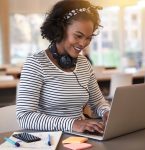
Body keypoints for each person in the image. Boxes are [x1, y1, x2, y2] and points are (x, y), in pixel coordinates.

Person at [16, 0, 110, 134]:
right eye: (78, 36)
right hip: (48, 140)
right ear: (60, 30)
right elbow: (24, 117)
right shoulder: (36, 63)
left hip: (80, 136)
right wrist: (72, 124)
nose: (83, 43)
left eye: (88, 38)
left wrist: (107, 112)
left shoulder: (84, 63)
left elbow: (98, 103)